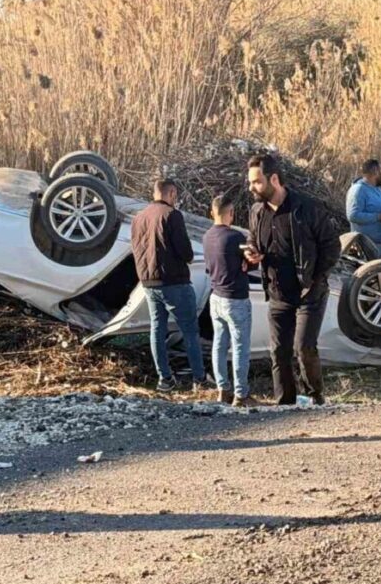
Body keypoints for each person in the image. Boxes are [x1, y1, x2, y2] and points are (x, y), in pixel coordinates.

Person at [244, 153, 341, 405]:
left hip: (309, 293)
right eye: (250, 182)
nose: (251, 187)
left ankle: (315, 397)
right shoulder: (256, 212)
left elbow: (331, 246)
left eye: (256, 182)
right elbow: (252, 240)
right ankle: (284, 403)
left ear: (274, 179)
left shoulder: (306, 208)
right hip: (277, 293)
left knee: (304, 347)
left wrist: (316, 280)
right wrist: (251, 251)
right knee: (278, 351)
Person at [130, 178, 211, 392]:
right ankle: (199, 379)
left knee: (157, 329)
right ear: (171, 193)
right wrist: (189, 257)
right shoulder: (172, 215)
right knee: (190, 330)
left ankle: (164, 379)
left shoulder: (138, 218)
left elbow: (136, 249)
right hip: (174, 281)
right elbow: (185, 251)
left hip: (148, 282)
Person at [203, 195, 255, 407]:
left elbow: (208, 267)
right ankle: (241, 394)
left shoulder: (207, 236)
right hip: (236, 298)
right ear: (230, 213)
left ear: (212, 212)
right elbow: (251, 261)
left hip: (215, 296)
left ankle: (223, 390)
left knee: (219, 344)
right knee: (240, 347)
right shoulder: (235, 237)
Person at [345, 158, 381, 258]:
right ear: (375, 172)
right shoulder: (358, 190)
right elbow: (352, 215)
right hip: (368, 249)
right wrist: (378, 217)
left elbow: (376, 207)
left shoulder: (377, 189)